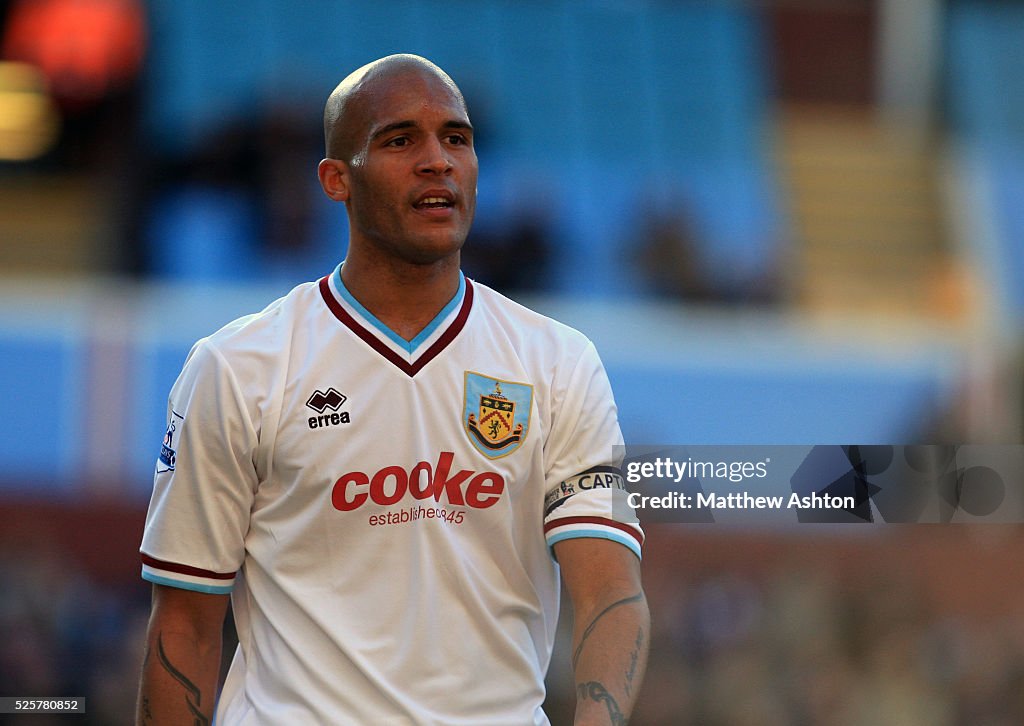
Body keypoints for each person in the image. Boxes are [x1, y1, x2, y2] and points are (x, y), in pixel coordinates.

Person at [136, 54, 648, 725]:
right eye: (400, 139)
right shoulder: (239, 367)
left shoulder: (558, 363)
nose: (438, 160)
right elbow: (185, 625)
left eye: (456, 139)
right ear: (334, 180)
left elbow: (610, 590)